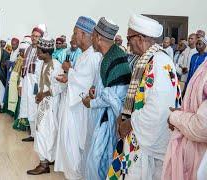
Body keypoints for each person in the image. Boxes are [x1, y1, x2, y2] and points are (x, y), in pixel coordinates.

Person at [107, 14, 180, 180]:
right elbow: (139, 97)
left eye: (129, 38)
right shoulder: (148, 60)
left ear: (140, 38)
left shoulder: (159, 63)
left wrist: (130, 122)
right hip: (140, 133)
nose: (128, 43)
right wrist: (124, 115)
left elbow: (158, 109)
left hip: (148, 142)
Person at [82, 17, 132, 180]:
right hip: (103, 117)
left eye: (92, 35)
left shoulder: (115, 57)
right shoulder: (107, 56)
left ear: (98, 37)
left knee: (99, 163)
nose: (91, 39)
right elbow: (108, 87)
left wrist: (92, 102)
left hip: (110, 120)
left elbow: (113, 97)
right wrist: (95, 91)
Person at [54, 16, 101, 180]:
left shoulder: (93, 56)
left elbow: (85, 84)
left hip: (80, 111)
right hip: (73, 107)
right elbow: (79, 78)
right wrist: (68, 77)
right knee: (69, 147)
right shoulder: (84, 55)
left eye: (75, 33)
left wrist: (69, 71)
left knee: (75, 148)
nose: (73, 37)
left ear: (84, 34)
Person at [161, 41, 207, 180]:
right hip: (190, 156)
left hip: (199, 161)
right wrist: (184, 110)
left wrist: (175, 117)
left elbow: (203, 126)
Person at [27, 37, 64, 175]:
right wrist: (39, 94)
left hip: (51, 104)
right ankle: (48, 159)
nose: (37, 54)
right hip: (43, 103)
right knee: (43, 131)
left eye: (39, 52)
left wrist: (45, 94)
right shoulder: (43, 63)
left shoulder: (57, 65)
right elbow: (42, 82)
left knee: (44, 131)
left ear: (47, 53)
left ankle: (44, 164)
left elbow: (62, 85)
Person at [18, 24, 46, 142]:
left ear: (41, 38)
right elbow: (23, 68)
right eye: (33, 36)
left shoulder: (43, 50)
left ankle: (39, 135)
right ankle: (33, 134)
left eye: (37, 36)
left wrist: (39, 87)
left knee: (36, 108)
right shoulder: (28, 49)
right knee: (28, 107)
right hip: (26, 81)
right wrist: (20, 84)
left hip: (36, 83)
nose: (34, 38)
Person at [10, 42, 31, 131]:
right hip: (21, 83)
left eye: (23, 51)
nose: (22, 53)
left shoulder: (27, 60)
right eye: (21, 51)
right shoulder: (20, 59)